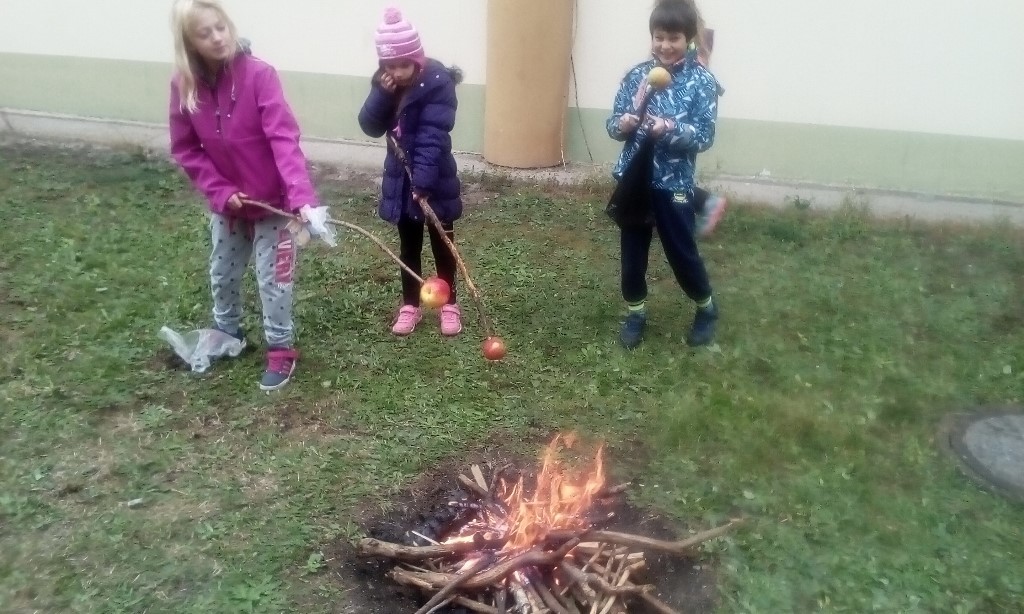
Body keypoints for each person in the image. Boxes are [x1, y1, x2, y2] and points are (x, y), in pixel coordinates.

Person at [168, 0, 320, 390]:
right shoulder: (184, 86)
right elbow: (186, 149)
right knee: (222, 272)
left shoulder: (259, 75)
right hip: (230, 207)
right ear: (189, 42)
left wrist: (299, 196)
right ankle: (228, 332)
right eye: (205, 33)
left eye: (220, 27)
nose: (217, 38)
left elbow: (283, 138)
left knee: (274, 279)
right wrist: (221, 191)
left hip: (275, 205)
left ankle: (281, 348)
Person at [606, 0, 720, 349]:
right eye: (659, 37)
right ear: (652, 37)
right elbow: (613, 124)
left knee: (681, 253)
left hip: (674, 184)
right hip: (636, 181)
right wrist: (623, 124)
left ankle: (706, 308)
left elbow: (704, 136)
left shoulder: (701, 82)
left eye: (674, 38)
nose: (665, 45)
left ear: (688, 38)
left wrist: (669, 128)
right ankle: (635, 313)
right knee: (632, 257)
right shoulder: (637, 76)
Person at [358, 7, 465, 337]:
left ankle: (449, 303)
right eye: (390, 66)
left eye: (403, 65)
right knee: (409, 246)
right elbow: (370, 126)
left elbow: (433, 136)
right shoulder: (386, 83)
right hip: (401, 179)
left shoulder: (437, 83)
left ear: (417, 59)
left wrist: (424, 183)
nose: (397, 72)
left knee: (442, 244)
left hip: (434, 179)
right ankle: (410, 304)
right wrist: (382, 93)